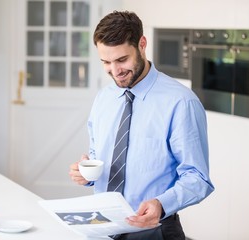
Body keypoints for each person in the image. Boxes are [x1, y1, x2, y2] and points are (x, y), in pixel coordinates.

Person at [69, 10, 214, 240]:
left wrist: (161, 204)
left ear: (142, 44)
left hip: (155, 231)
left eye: (122, 60)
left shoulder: (180, 102)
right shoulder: (103, 99)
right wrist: (87, 173)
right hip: (103, 228)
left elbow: (198, 178)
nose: (115, 71)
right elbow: (100, 156)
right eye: (106, 62)